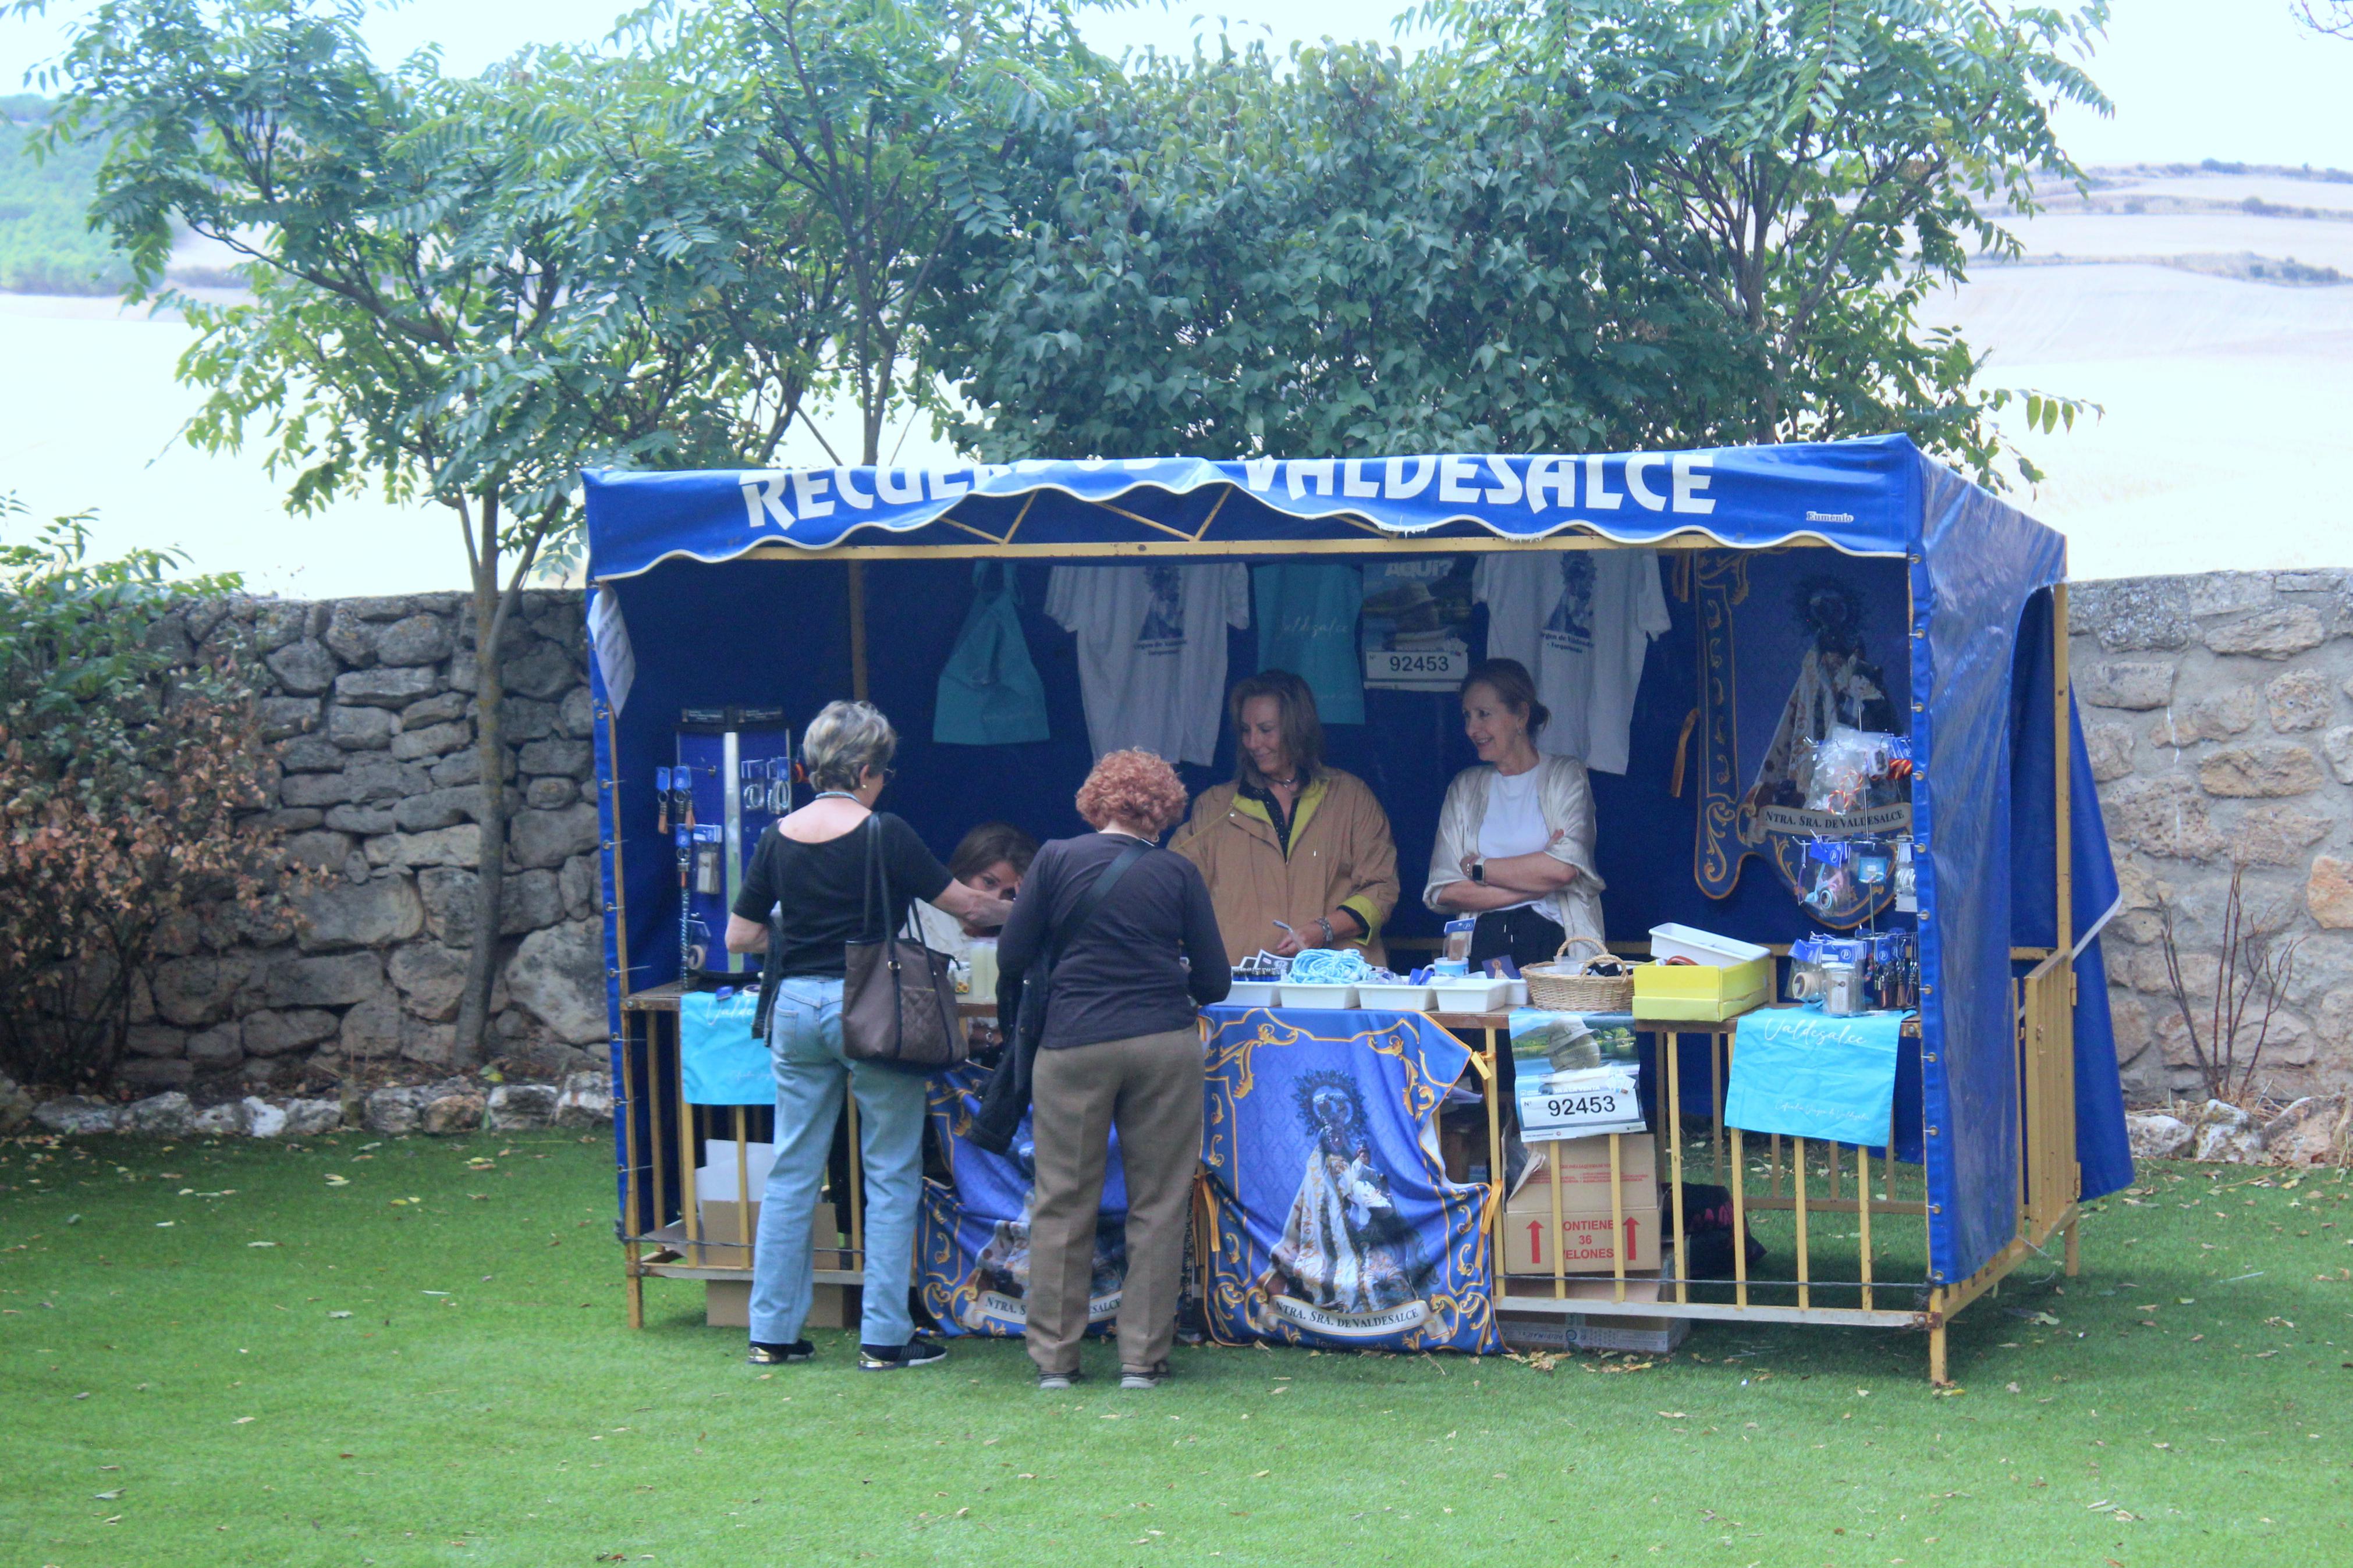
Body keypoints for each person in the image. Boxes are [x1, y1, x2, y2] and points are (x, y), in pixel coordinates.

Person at [723, 700, 1012, 1372]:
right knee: (889, 1169)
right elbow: (966, 906)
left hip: (794, 1005)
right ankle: (883, 1336)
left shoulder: (777, 836)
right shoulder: (886, 833)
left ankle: (770, 1331)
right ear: (862, 770)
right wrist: (1038, 908)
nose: (883, 782)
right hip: (873, 1004)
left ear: (809, 768)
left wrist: (800, 940)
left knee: (793, 1169)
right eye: (882, 772)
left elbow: (741, 935)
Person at [994, 749, 1229, 1392]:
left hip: (1072, 1044)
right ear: (1163, 810)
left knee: (1062, 1200)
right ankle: (1141, 1360)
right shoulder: (1178, 874)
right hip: (1162, 1044)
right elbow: (1213, 981)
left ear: (1095, 799)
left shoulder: (1055, 859)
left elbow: (1011, 955)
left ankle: (1054, 1360)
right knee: (1157, 1202)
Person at [1172, 670, 1400, 966]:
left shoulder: (1352, 798)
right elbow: (1174, 890)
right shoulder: (1215, 807)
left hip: (1335, 985)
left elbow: (1382, 888)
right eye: (1245, 730)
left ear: (1298, 729)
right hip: (1241, 990)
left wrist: (1325, 929)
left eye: (1266, 730)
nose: (1253, 743)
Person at [1424, 657, 1607, 973]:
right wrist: (1537, 881)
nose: (1471, 729)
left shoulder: (1565, 775)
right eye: (1467, 716)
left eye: (1484, 715)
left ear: (1521, 714)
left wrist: (1478, 868)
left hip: (1557, 947)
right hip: (1478, 945)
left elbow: (1564, 870)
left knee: (1553, 1026)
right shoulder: (1465, 787)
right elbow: (1444, 890)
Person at [912, 820, 1037, 959]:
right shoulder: (921, 918)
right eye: (989, 882)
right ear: (965, 871)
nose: (996, 899)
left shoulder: (1016, 936)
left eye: (1009, 893)